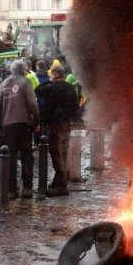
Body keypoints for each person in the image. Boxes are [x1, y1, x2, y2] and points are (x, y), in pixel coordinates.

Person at [0, 59, 39, 199]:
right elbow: (32, 104)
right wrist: (36, 121)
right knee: (27, 155)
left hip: (8, 125)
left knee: (10, 157)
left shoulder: (4, 83)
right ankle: (27, 187)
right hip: (24, 124)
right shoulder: (25, 82)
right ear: (23, 70)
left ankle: (11, 189)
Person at [35, 65, 78, 196]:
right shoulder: (70, 87)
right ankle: (58, 179)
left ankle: (61, 185)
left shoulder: (52, 86)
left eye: (51, 74)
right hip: (66, 123)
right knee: (63, 152)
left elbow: (38, 90)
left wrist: (51, 80)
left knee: (56, 153)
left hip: (55, 124)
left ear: (54, 74)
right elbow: (75, 106)